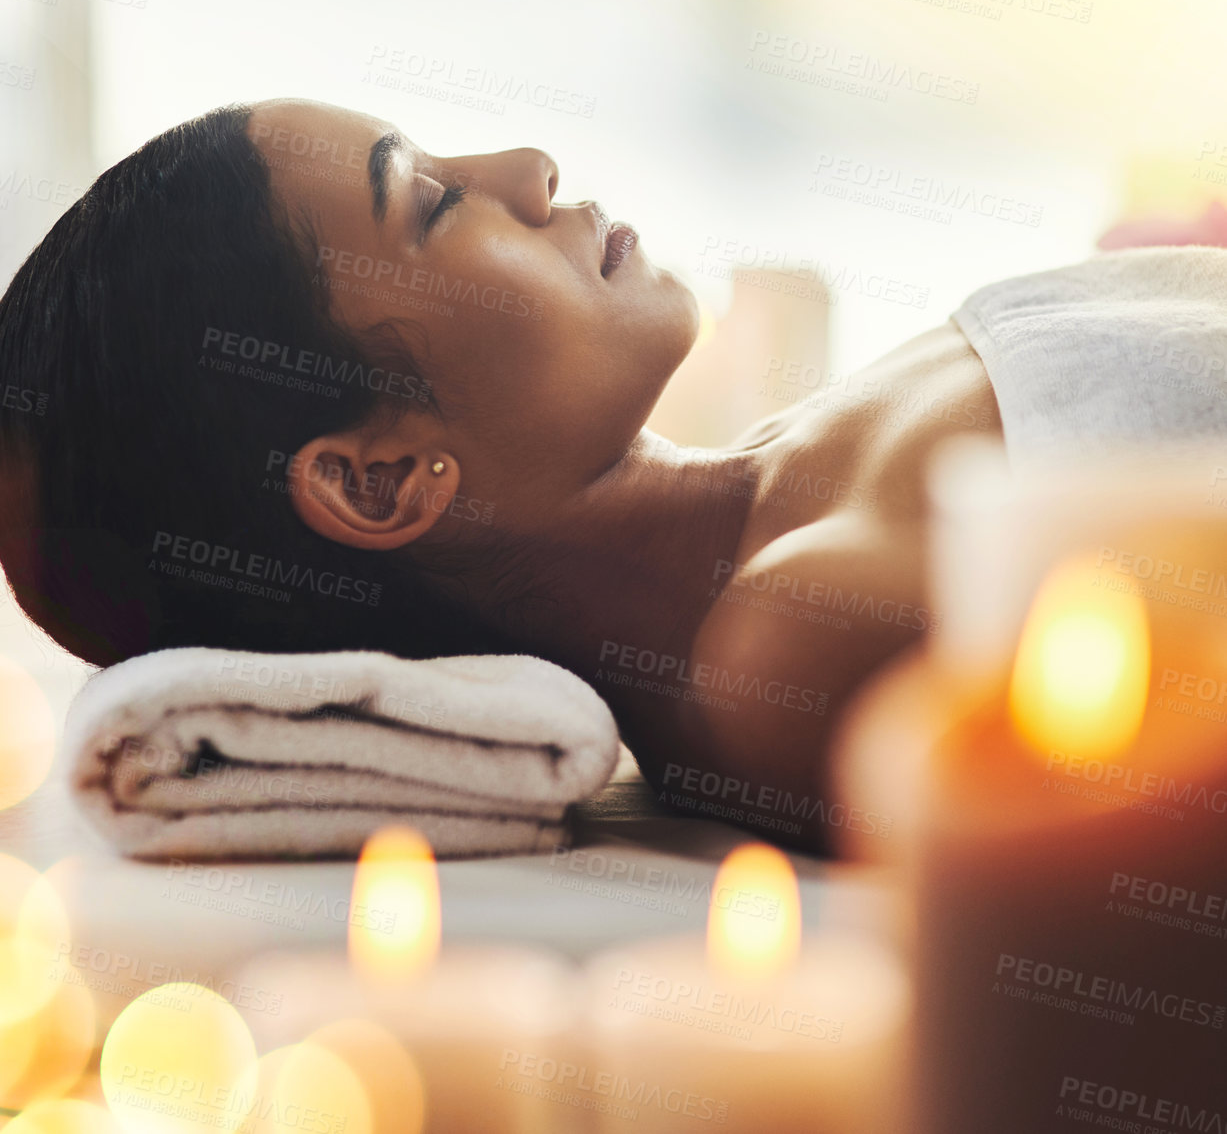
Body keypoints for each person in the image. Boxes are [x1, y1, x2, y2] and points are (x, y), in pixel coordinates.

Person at [2, 98, 1224, 854]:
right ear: (377, 484)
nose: (528, 166)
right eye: (430, 203)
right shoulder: (787, 646)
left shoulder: (785, 473)